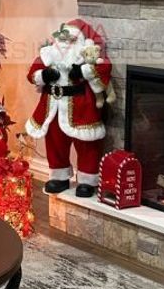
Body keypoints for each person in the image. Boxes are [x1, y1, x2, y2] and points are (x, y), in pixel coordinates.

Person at [25, 20, 113, 198]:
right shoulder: (48, 54)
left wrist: (83, 71)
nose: (65, 43)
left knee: (86, 144)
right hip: (53, 106)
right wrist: (43, 75)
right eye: (62, 39)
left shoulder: (87, 56)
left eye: (71, 40)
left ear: (81, 42)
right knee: (55, 142)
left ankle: (87, 180)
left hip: (81, 106)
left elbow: (104, 67)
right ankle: (59, 177)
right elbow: (32, 74)